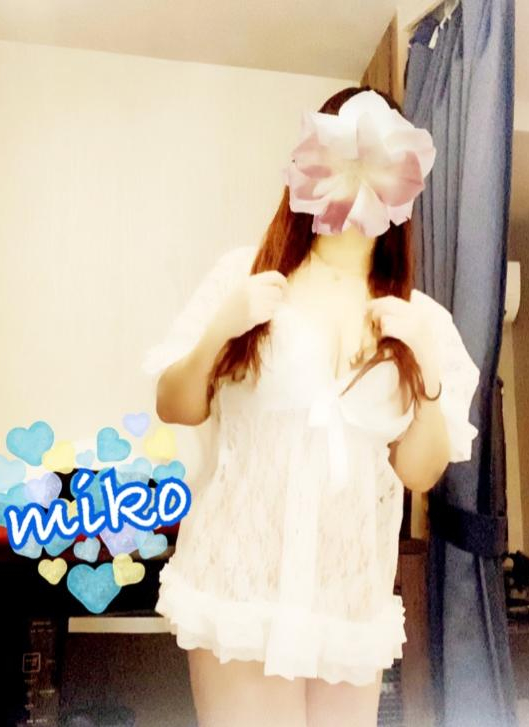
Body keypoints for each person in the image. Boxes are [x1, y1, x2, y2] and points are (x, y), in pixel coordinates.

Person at [142, 85, 481, 727]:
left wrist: (429, 376)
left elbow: (419, 472)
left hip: (347, 595)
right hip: (241, 582)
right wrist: (221, 331)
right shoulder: (246, 276)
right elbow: (174, 405)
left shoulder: (421, 319)